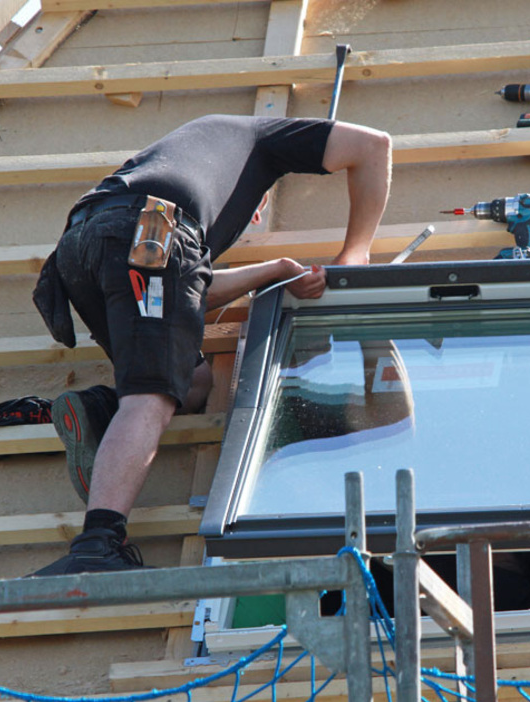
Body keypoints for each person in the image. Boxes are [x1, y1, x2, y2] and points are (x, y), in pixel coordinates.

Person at [30, 115, 392, 575]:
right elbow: (373, 146)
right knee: (151, 395)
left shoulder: (188, 156)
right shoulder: (262, 139)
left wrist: (274, 270)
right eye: (251, 215)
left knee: (191, 379)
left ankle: (102, 410)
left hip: (83, 244)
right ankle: (97, 544)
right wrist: (354, 256)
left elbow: (185, 288)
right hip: (150, 234)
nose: (247, 221)